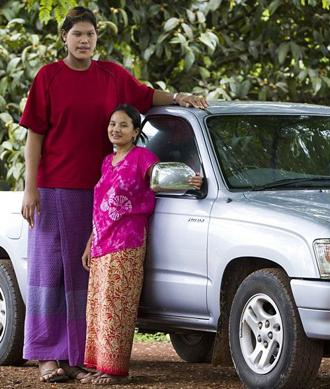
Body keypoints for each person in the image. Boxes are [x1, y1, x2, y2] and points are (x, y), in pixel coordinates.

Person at [19, 6, 207, 384]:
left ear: (96, 39)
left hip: (103, 193)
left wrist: (181, 97)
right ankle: (47, 356)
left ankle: (77, 356)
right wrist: (30, 189)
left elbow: (148, 96)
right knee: (50, 272)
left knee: (84, 277)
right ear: (64, 38)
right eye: (77, 34)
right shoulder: (48, 77)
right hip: (54, 189)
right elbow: (34, 135)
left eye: (90, 34)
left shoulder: (112, 76)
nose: (84, 41)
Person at [80, 104, 201, 385]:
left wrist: (192, 180)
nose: (115, 129)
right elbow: (100, 207)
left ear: (135, 131)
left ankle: (114, 371)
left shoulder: (142, 158)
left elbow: (164, 176)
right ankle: (99, 366)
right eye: (112, 124)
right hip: (100, 243)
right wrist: (89, 242)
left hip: (127, 242)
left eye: (123, 125)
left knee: (117, 307)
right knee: (97, 306)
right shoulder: (106, 162)